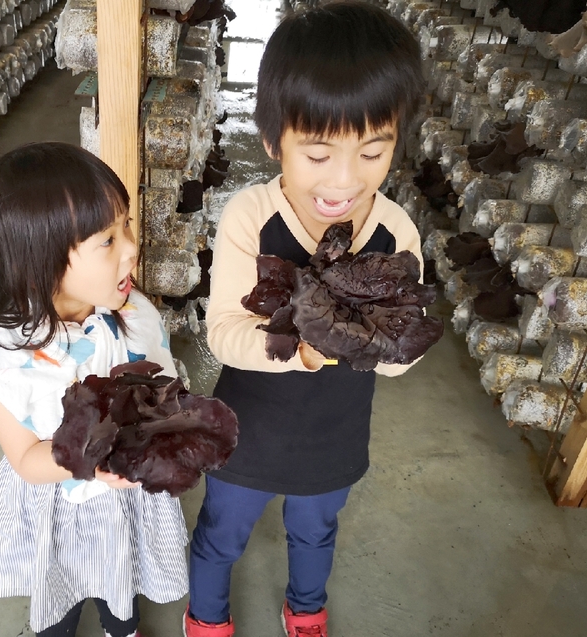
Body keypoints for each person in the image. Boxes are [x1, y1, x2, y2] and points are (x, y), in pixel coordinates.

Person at [184, 4, 427, 637]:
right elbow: (225, 334)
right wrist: (304, 348)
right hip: (250, 428)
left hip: (333, 431)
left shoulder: (396, 231)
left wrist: (383, 346)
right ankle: (206, 614)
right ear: (274, 141)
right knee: (222, 529)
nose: (344, 181)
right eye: (317, 154)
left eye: (372, 151)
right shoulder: (250, 217)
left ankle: (307, 608)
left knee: (316, 528)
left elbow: (405, 351)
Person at [0, 142, 188, 637]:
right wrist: (94, 458)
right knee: (61, 590)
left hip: (127, 498)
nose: (131, 248)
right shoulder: (1, 353)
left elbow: (164, 392)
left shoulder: (132, 313)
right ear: (39, 260)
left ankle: (122, 627)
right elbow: (26, 460)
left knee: (122, 578)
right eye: (107, 240)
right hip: (58, 503)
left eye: (126, 225)